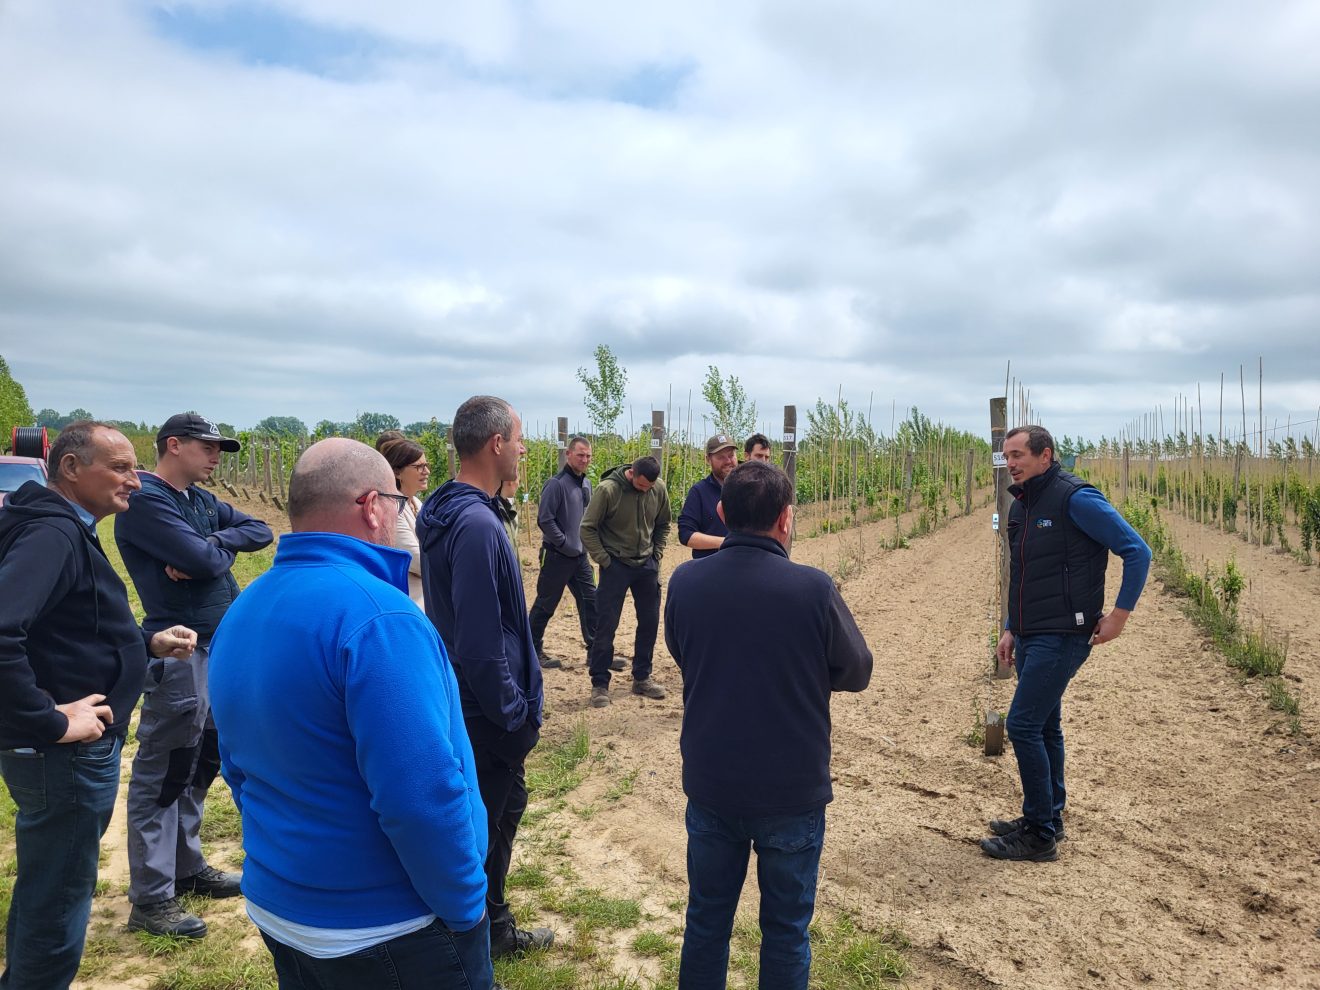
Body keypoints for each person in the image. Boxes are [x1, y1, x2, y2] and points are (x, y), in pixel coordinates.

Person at [208, 438, 493, 989]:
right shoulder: (381, 619)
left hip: (281, 906)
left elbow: (236, 764)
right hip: (388, 927)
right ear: (371, 506)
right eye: (397, 502)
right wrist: (466, 906)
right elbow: (421, 798)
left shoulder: (246, 606)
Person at [0, 421, 196, 990]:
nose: (135, 480)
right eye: (120, 468)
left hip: (60, 755)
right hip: (64, 757)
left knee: (51, 883)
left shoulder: (57, 524)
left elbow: (66, 625)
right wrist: (50, 719)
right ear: (70, 468)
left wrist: (144, 643)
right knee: (60, 897)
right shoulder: (53, 534)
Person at [664, 461, 872, 989]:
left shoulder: (686, 582)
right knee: (785, 930)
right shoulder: (812, 588)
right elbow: (857, 670)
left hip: (712, 782)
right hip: (790, 789)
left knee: (706, 921)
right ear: (786, 518)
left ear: (720, 512)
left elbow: (682, 651)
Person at [114, 413, 273, 938]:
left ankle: (187, 867)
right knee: (165, 770)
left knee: (200, 761)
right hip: (180, 650)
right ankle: (152, 897)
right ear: (173, 445)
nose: (216, 457)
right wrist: (209, 551)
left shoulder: (200, 501)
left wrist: (211, 543)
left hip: (217, 648)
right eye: (207, 447)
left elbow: (260, 531)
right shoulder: (146, 501)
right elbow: (202, 560)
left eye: (219, 449)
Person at [417, 396, 552, 959]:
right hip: (487, 711)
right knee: (485, 824)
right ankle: (472, 939)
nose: (523, 448)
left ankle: (491, 923)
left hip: (470, 701)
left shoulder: (449, 509)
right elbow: (480, 641)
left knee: (497, 813)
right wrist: (514, 715)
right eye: (518, 438)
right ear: (496, 443)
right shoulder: (476, 525)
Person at [982, 425, 1151, 862]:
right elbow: (1023, 574)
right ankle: (1049, 817)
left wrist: (1119, 616)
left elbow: (1137, 551)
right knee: (1044, 726)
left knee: (1023, 725)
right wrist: (1010, 627)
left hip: (1063, 633)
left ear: (1045, 455)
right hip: (1031, 632)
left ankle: (1039, 835)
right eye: (1007, 456)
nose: (1011, 463)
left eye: (1018, 455)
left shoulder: (1076, 499)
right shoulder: (1022, 505)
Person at [580, 455, 671, 707]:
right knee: (606, 625)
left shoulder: (658, 488)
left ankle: (642, 677)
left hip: (647, 564)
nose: (645, 490)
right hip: (616, 565)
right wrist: (604, 560)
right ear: (632, 473)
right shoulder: (608, 490)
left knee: (650, 622)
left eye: (649, 487)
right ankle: (600, 683)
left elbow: (664, 523)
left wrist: (657, 553)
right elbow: (587, 527)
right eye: (641, 485)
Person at [527, 437, 599, 670]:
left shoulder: (586, 484)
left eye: (588, 456)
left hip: (580, 557)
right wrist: (564, 543)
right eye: (580, 455)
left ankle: (595, 652)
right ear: (568, 454)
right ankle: (532, 651)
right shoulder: (556, 484)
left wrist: (582, 545)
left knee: (591, 600)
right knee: (546, 604)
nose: (585, 459)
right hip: (557, 556)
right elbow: (545, 519)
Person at [377, 433, 430, 605]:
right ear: (397, 472)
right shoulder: (394, 509)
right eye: (419, 467)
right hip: (412, 601)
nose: (426, 472)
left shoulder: (417, 503)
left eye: (426, 465)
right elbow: (418, 561)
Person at [678, 435, 738, 558]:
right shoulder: (699, 492)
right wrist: (727, 542)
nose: (728, 461)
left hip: (745, 565)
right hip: (710, 567)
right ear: (708, 459)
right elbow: (686, 535)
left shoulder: (748, 489)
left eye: (731, 455)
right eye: (721, 457)